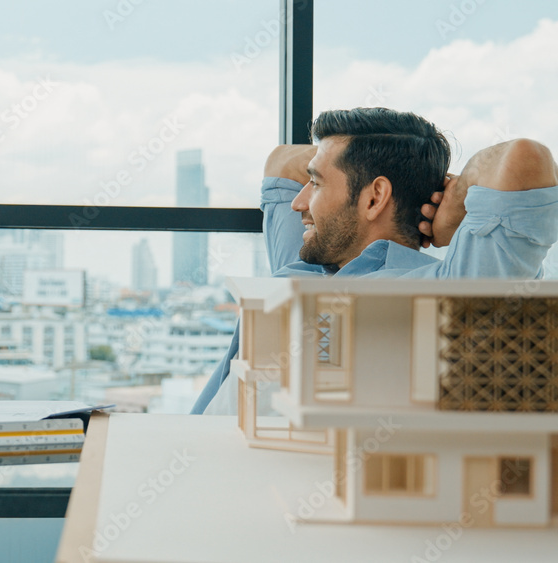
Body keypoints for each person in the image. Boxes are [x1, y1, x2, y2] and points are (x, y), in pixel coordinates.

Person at [191, 107, 558, 415]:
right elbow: (282, 161)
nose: (297, 203)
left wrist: (458, 200)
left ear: (374, 198)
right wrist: (386, 158)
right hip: (194, 454)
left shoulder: (441, 292)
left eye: (316, 184)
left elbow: (525, 158)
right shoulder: (308, 262)